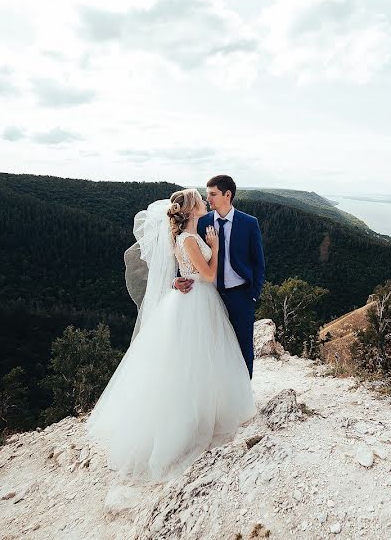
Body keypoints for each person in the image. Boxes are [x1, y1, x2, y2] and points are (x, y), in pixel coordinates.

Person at [85, 189, 256, 482]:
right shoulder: (189, 239)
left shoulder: (184, 237)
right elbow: (208, 276)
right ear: (190, 210)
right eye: (201, 201)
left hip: (192, 300)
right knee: (196, 362)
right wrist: (214, 248)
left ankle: (204, 413)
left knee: (195, 362)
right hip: (198, 302)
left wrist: (185, 276)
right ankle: (188, 425)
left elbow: (187, 272)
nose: (205, 201)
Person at [173, 175, 265, 379]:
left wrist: (253, 295)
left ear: (228, 195)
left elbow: (258, 262)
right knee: (210, 349)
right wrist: (176, 280)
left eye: (213, 194)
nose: (208, 199)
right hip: (208, 295)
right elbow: (187, 255)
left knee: (243, 348)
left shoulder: (249, 223)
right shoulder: (200, 221)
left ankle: (243, 397)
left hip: (241, 296)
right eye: (207, 195)